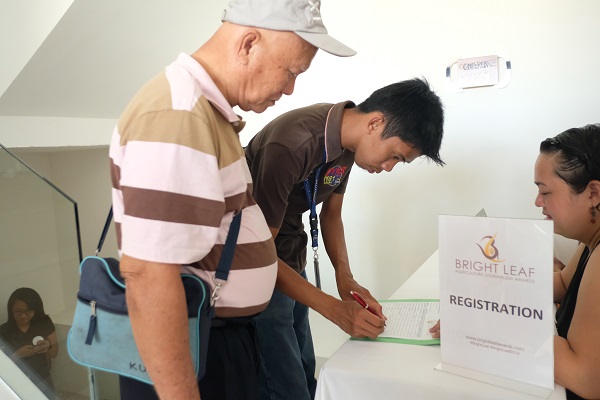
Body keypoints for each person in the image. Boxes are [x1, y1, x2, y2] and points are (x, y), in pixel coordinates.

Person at [108, 0, 356, 399]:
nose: (290, 89)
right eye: (290, 72)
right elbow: (149, 277)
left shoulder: (207, 113)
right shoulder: (178, 114)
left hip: (218, 338)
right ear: (249, 44)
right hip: (197, 348)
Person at [245, 78, 445, 400]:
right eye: (395, 156)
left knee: (305, 367)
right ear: (375, 123)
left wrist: (345, 278)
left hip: (289, 254)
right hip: (258, 267)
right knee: (284, 384)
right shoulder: (291, 144)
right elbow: (258, 252)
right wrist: (335, 310)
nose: (389, 168)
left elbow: (332, 214)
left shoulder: (345, 146)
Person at [533, 124, 600, 400]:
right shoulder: (590, 241)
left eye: (545, 192)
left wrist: (486, 325)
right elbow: (562, 283)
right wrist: (498, 287)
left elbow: (585, 378)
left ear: (593, 194)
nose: (538, 202)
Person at [0, 288, 58, 395]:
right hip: (17, 380)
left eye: (28, 311)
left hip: (43, 377)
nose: (23, 316)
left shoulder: (44, 323)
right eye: (18, 312)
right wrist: (18, 354)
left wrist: (48, 346)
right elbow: (3, 368)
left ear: (36, 309)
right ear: (11, 310)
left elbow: (54, 353)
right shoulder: (4, 331)